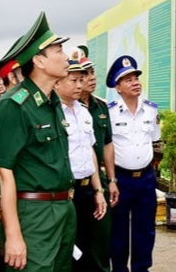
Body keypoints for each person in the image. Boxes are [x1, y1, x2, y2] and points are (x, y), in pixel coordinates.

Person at [0, 11, 76, 271]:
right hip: (34, 213)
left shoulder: (52, 102)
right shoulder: (14, 106)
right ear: (38, 60)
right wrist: (13, 235)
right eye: (58, 51)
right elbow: (3, 172)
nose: (66, 56)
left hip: (64, 207)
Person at [107, 55, 160, 272]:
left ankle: (141, 268)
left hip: (146, 178)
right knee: (118, 230)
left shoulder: (150, 109)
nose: (135, 82)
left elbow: (154, 140)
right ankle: (119, 269)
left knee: (145, 228)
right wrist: (111, 180)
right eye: (128, 79)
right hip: (121, 179)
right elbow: (106, 147)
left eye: (136, 77)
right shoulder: (109, 112)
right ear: (118, 87)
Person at [54, 57, 106, 271]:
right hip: (66, 190)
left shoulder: (84, 112)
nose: (79, 85)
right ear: (57, 82)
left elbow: (90, 151)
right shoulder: (54, 112)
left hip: (86, 189)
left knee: (85, 244)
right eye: (74, 80)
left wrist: (98, 190)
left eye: (81, 80)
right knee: (66, 247)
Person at [73, 46, 116, 272]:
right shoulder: (63, 107)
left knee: (100, 238)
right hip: (73, 182)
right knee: (75, 242)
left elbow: (107, 144)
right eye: (83, 75)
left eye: (91, 73)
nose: (90, 79)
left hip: (96, 179)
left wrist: (112, 179)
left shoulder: (100, 106)